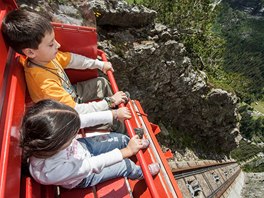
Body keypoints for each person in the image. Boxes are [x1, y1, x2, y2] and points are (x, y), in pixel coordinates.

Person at [1, 9, 129, 130]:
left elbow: (72, 59)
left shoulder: (46, 57)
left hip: (70, 95)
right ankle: (123, 126)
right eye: (51, 44)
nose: (58, 45)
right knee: (113, 122)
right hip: (65, 116)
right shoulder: (44, 85)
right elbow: (75, 111)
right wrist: (110, 102)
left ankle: (118, 105)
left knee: (101, 83)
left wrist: (99, 64)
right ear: (30, 52)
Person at [20, 99, 160, 189]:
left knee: (118, 138)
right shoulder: (51, 172)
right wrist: (127, 152)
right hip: (84, 175)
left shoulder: (49, 137)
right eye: (72, 135)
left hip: (81, 149)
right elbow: (92, 165)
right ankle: (140, 172)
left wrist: (114, 114)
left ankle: (130, 143)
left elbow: (83, 120)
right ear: (58, 143)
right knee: (125, 165)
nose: (76, 133)